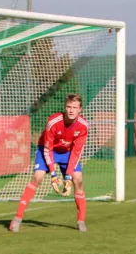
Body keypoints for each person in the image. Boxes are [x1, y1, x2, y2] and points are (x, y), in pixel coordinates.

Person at [10, 94, 89, 233]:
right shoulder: (53, 121)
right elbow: (48, 149)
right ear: (65, 108)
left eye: (74, 108)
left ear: (80, 109)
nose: (71, 110)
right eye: (69, 107)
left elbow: (76, 152)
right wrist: (53, 174)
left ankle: (81, 221)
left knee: (78, 180)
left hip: (68, 153)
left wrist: (68, 177)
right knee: (38, 178)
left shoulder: (83, 126)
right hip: (48, 150)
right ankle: (17, 219)